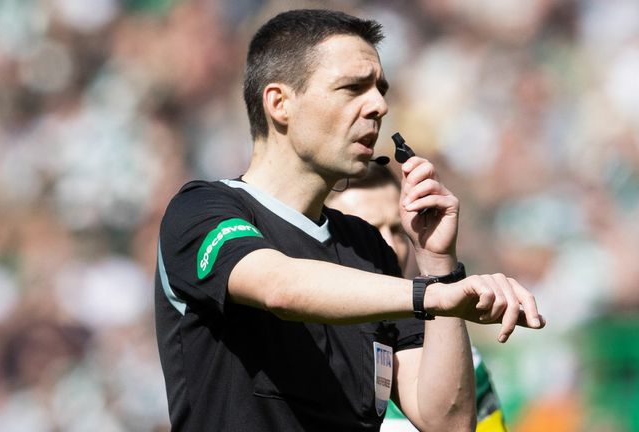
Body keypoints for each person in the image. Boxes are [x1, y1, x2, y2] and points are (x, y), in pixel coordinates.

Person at [155, 9, 544, 431]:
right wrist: (429, 295)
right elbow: (281, 288)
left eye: (380, 89)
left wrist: (438, 267)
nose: (379, 105)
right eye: (352, 88)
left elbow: (448, 423)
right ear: (279, 103)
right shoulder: (202, 211)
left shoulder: (368, 248)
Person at [327, 163, 508, 432]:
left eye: (397, 230)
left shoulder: (457, 358)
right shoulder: (301, 346)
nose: (389, 245)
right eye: (367, 230)